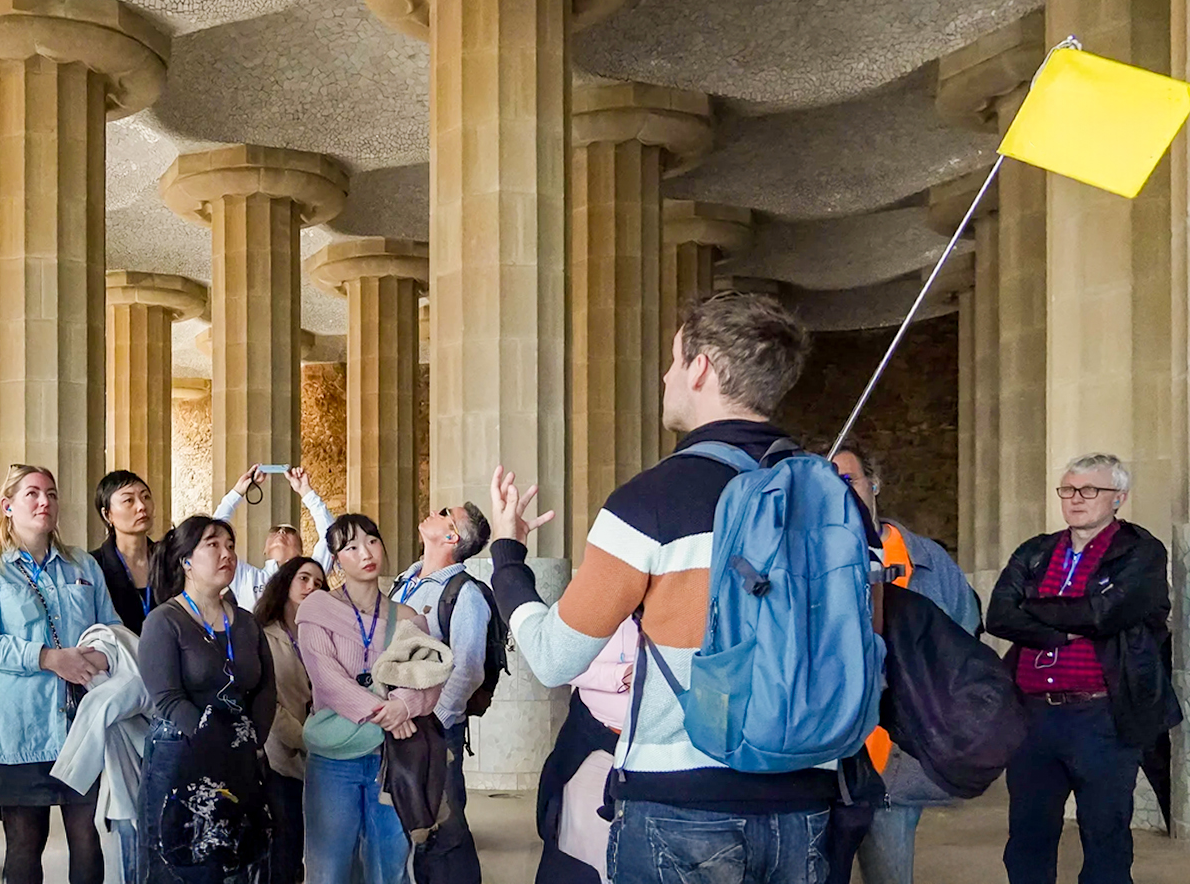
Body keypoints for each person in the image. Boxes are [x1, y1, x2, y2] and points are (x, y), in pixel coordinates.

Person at [489, 291, 833, 884]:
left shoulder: (649, 502)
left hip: (682, 801)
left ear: (701, 368)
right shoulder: (832, 498)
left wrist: (507, 557)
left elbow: (552, 658)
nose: (668, 376)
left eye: (675, 360)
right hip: (806, 797)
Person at [986, 453, 1180, 884]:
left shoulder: (1140, 552)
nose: (1076, 498)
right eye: (1069, 489)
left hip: (1102, 716)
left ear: (1118, 498)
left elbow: (1104, 615)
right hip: (1032, 716)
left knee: (1105, 839)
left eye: (1090, 490)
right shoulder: (1035, 551)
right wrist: (1066, 629)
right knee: (1028, 838)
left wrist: (1034, 610)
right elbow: (999, 615)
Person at [0, 464, 120, 884]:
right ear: (7, 506)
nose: (44, 501)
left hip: (80, 725)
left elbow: (111, 627)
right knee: (25, 842)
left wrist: (101, 655)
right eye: (32, 493)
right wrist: (48, 658)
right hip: (18, 728)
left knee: (87, 835)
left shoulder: (81, 564)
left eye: (51, 493)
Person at [831, 441, 979, 884]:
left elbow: (962, 638)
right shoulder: (805, 559)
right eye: (827, 483)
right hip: (824, 761)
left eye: (849, 480)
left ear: (874, 484)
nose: (839, 491)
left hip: (893, 762)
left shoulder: (927, 560)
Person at [297, 514, 443, 884]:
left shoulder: (406, 616)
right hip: (334, 758)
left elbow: (429, 675)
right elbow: (328, 680)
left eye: (372, 541)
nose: (366, 552)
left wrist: (404, 706)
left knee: (389, 866)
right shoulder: (317, 609)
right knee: (328, 868)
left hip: (390, 759)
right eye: (351, 547)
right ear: (336, 561)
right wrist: (387, 712)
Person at [137, 515, 277, 884]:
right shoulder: (164, 621)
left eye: (230, 546)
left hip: (240, 755)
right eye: (213, 545)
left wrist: (251, 741)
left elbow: (265, 688)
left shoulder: (246, 622)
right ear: (186, 560)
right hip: (181, 752)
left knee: (237, 860)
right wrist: (215, 741)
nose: (226, 553)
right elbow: (167, 697)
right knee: (179, 862)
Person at [390, 504, 493, 884]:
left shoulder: (464, 594)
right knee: (406, 824)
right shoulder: (404, 582)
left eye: (445, 512)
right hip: (396, 723)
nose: (433, 510)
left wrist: (433, 721)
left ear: (452, 537)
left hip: (433, 729)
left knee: (445, 829)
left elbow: (467, 670)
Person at [538, 617, 639, 884]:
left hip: (666, 753)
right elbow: (556, 662)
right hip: (596, 744)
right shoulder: (599, 600)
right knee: (582, 853)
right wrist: (620, 675)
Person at [252, 555, 328, 884]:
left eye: (319, 583)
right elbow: (267, 702)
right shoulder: (262, 635)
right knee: (283, 846)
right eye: (304, 579)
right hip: (279, 757)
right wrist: (305, 739)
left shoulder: (323, 637)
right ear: (286, 582)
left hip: (320, 756)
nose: (311, 587)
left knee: (311, 849)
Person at [212, 465, 338, 609]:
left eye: (289, 531)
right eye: (275, 530)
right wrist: (238, 491)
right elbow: (214, 534)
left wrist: (306, 491)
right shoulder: (247, 578)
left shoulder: (310, 574)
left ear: (301, 551)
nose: (281, 532)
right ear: (264, 549)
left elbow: (331, 536)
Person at [91, 469, 159, 632]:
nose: (141, 506)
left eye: (146, 497)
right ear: (107, 514)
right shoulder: (93, 566)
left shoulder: (169, 559)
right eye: (129, 500)